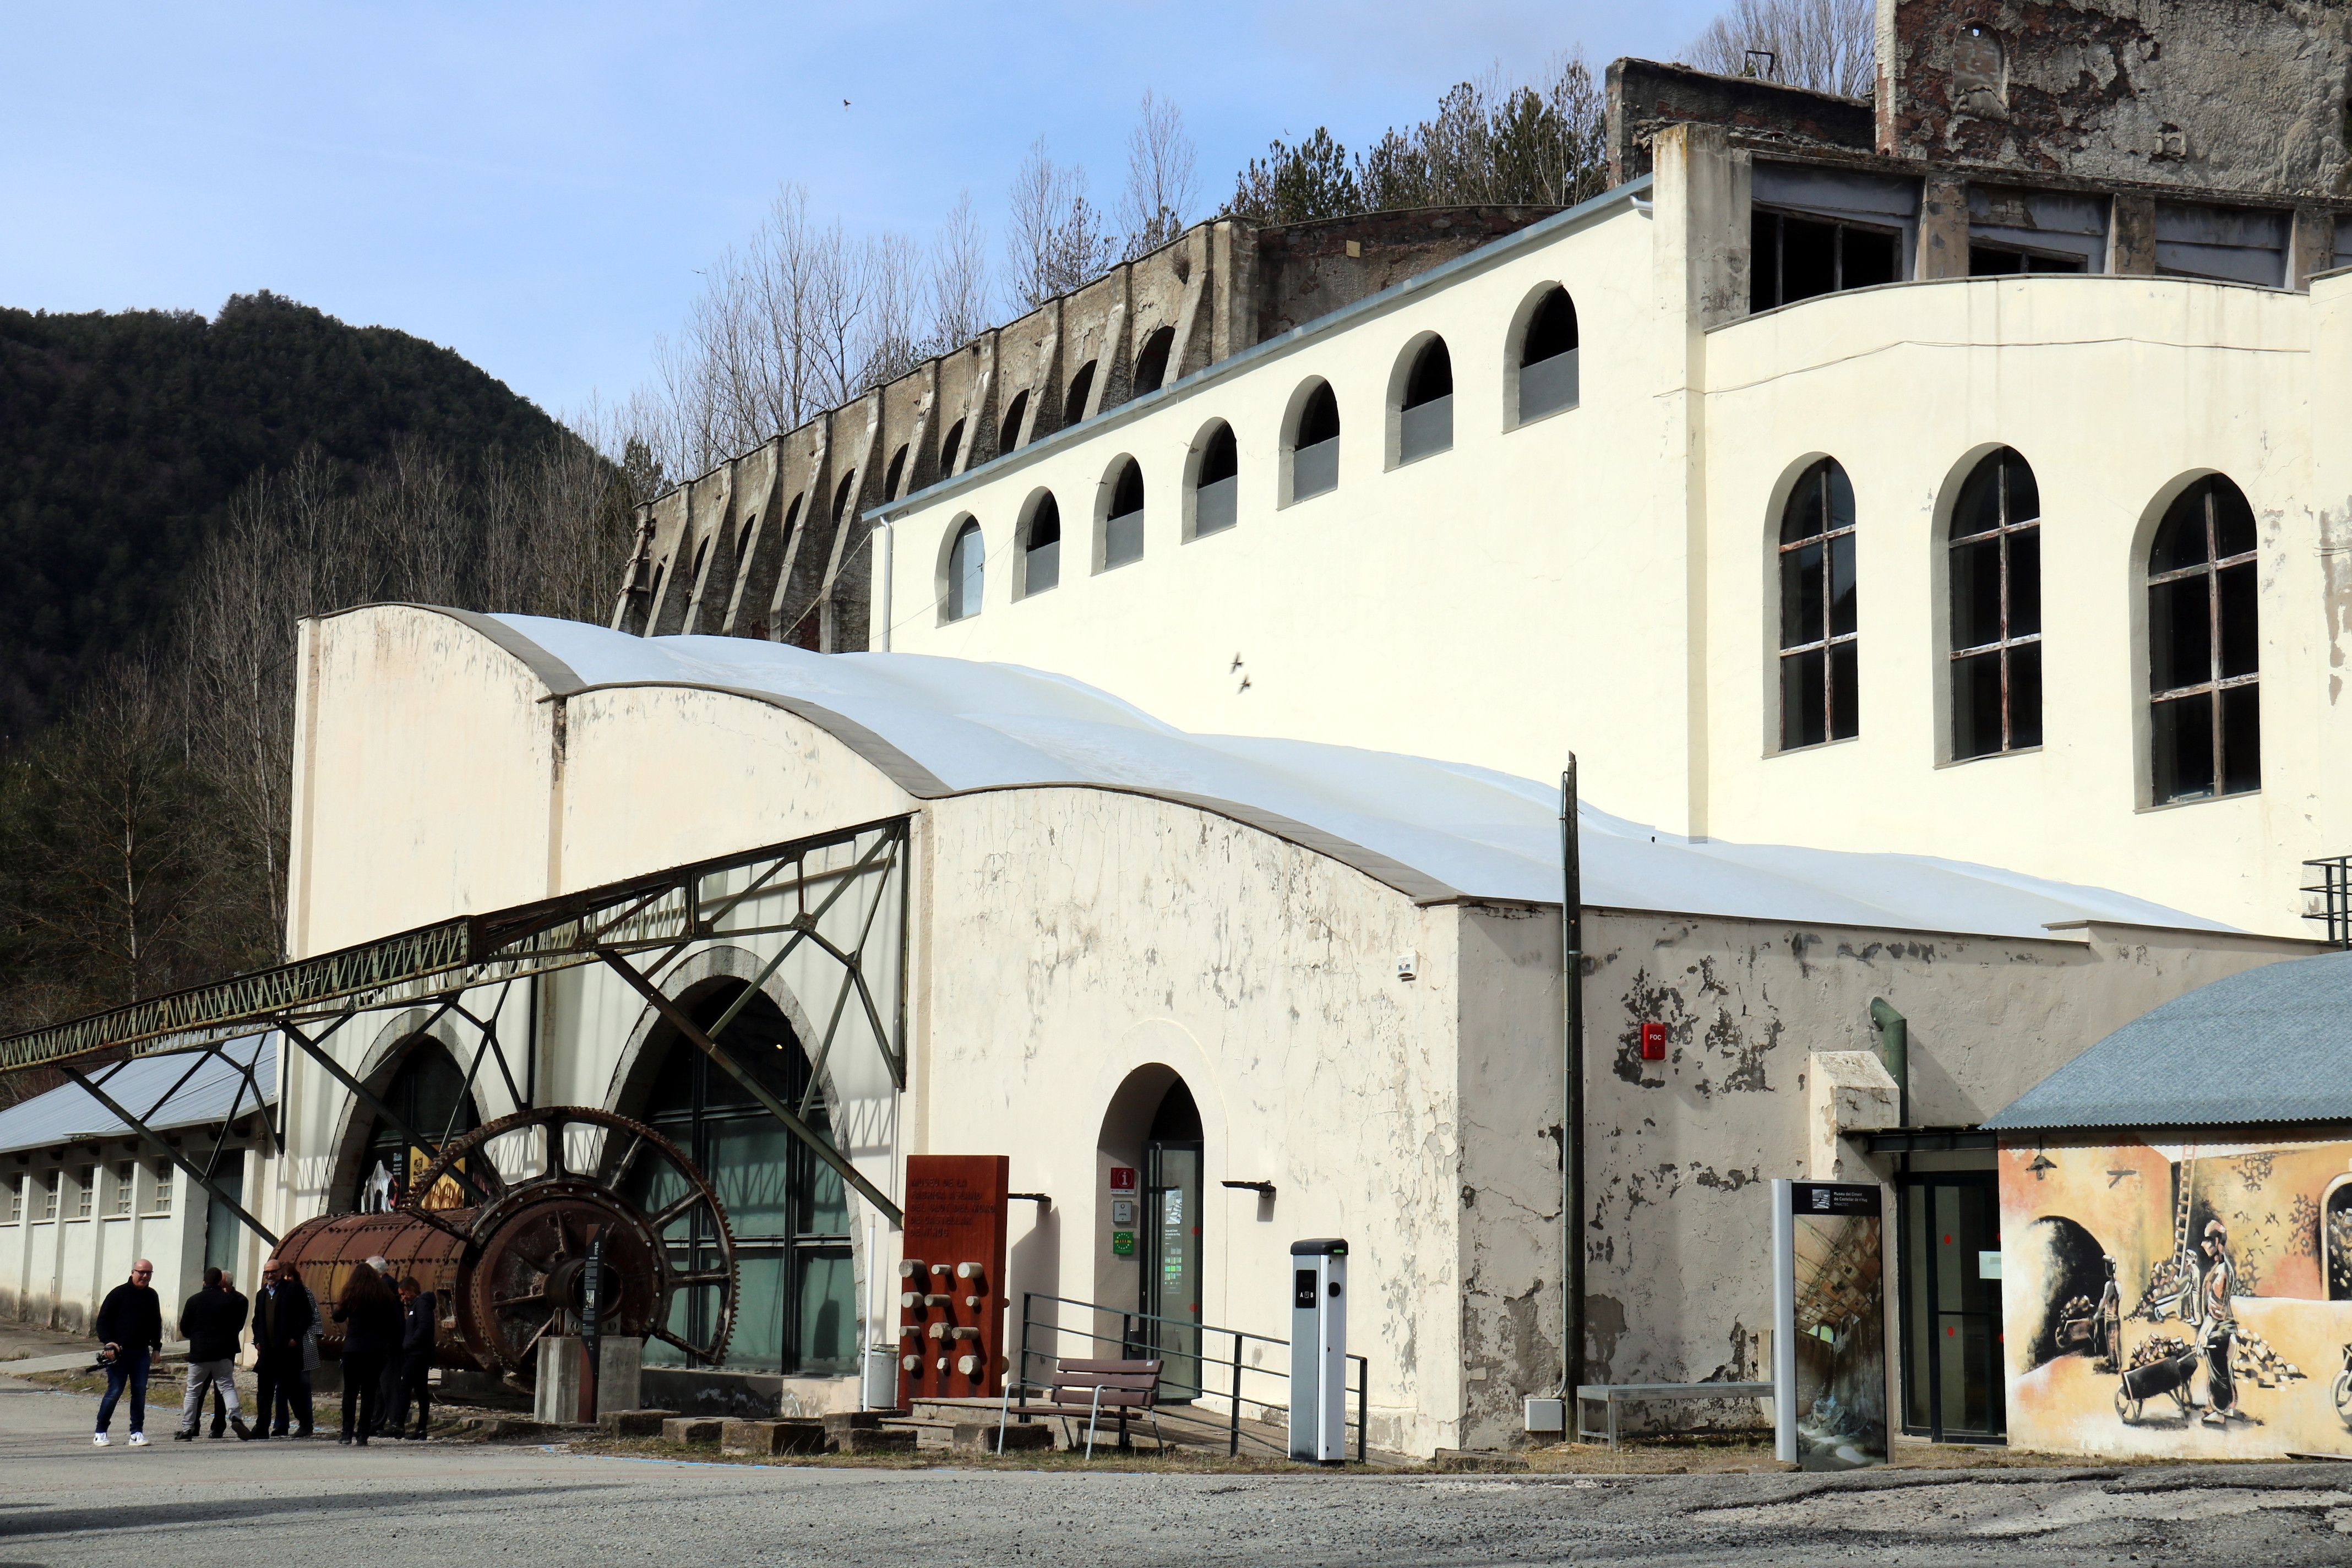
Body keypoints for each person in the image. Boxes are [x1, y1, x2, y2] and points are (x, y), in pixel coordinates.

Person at [176, 1266, 253, 1441]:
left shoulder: (193, 1300)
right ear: (220, 1282)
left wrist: (197, 1335)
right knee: (226, 1387)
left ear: (204, 1282)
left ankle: (188, 1428)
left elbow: (185, 1328)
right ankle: (235, 1417)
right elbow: (235, 1326)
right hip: (224, 1352)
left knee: (193, 1392)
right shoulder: (231, 1301)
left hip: (200, 1353)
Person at [92, 1259, 162, 1447]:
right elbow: (102, 1321)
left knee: (139, 1392)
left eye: (149, 1273)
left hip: (141, 1353)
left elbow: (156, 1322)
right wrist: (108, 1343)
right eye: (141, 1272)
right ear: (133, 1272)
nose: (145, 1276)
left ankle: (136, 1432)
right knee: (115, 1391)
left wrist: (157, 1348)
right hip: (119, 1354)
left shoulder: (152, 1296)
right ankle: (101, 1431)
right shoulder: (118, 1294)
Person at [331, 1260, 401, 1445]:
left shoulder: (352, 1294)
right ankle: (363, 1435)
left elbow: (338, 1316)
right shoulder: (384, 1295)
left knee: (350, 1391)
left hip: (353, 1348)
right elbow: (395, 1321)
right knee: (369, 1392)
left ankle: (346, 1433)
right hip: (376, 1350)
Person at [251, 1257, 317, 1438]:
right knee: (264, 1392)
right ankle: (262, 1427)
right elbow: (257, 1320)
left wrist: (296, 1337)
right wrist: (257, 1340)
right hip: (267, 1352)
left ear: (280, 1272)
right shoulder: (262, 1294)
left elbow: (306, 1316)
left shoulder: (293, 1290)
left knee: (293, 1390)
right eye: (267, 1272)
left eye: (273, 1271)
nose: (270, 1275)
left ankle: (305, 1424)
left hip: (287, 1352)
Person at [2199, 1219, 2239, 1427]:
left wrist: (2203, 1334)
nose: (2203, 1245)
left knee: (2218, 1371)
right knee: (2225, 1369)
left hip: (2220, 1329)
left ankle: (2220, 1411)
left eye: (2207, 1239)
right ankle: (2229, 1407)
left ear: (2217, 1241)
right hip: (2228, 1328)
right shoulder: (2224, 1267)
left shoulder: (2221, 1272)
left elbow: (2216, 1310)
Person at [386, 1276, 437, 1439]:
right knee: (421, 1390)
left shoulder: (421, 1305)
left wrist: (410, 1345)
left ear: (410, 1290)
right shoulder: (415, 1306)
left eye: (403, 1294)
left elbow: (424, 1327)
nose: (402, 1299)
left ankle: (398, 1425)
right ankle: (421, 1429)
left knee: (405, 1387)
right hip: (416, 1353)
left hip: (418, 1354)